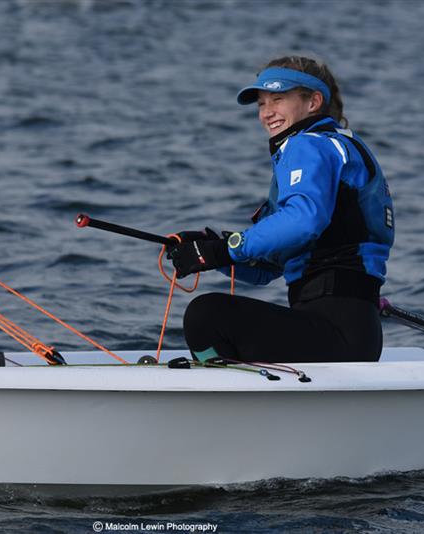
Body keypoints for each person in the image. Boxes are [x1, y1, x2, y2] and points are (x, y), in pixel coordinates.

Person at [166, 56, 395, 364]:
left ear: (313, 101)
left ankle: (224, 397)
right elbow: (268, 268)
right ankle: (228, 384)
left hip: (337, 331)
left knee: (205, 315)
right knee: (212, 314)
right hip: (350, 333)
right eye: (261, 104)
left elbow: (304, 220)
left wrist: (229, 248)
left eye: (278, 99)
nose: (266, 112)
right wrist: (210, 251)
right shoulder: (334, 146)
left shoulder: (308, 146)